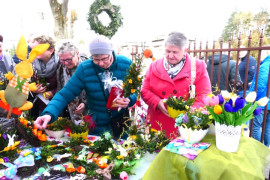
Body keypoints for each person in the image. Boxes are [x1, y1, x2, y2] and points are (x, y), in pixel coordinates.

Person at [34, 35, 137, 137]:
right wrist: (49, 113)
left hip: (121, 123)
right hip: (97, 125)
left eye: (104, 58)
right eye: (96, 59)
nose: (100, 63)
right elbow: (65, 94)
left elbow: (135, 89)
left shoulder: (126, 64)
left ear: (111, 52)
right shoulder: (85, 68)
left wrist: (130, 99)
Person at [141, 32, 211, 138]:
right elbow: (144, 90)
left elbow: (205, 94)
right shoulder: (154, 66)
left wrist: (192, 111)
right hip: (157, 123)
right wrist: (157, 102)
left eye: (175, 52)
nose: (170, 56)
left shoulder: (197, 66)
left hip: (185, 126)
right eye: (167, 51)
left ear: (185, 51)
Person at [56, 41, 87, 122]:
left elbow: (95, 90)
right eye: (62, 60)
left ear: (77, 54)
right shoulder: (61, 69)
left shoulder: (87, 67)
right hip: (70, 112)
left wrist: (85, 103)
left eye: (69, 59)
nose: (66, 63)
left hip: (89, 111)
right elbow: (61, 90)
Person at [29, 35, 59, 119]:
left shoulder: (61, 63)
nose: (35, 51)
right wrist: (33, 89)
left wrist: (53, 92)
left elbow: (67, 85)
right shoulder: (31, 63)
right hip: (39, 106)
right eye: (34, 48)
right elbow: (24, 83)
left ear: (51, 50)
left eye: (39, 48)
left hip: (57, 106)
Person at [250, 46, 270, 147]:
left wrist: (252, 97)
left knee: (255, 126)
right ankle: (266, 148)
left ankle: (256, 148)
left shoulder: (265, 66)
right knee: (267, 127)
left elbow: (260, 86)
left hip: (261, 102)